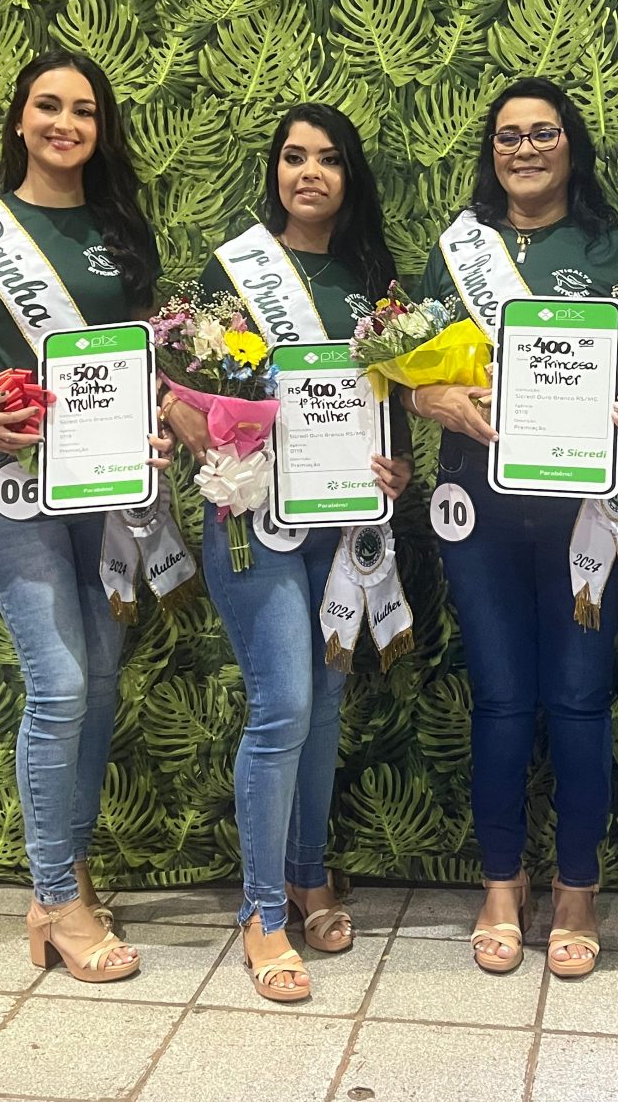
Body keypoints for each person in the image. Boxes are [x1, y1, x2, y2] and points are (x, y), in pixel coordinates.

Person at [162, 103, 414, 1003]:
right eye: (294, 157)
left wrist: (396, 465)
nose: (310, 173)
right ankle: (261, 912)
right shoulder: (234, 269)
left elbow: (389, 400)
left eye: (329, 159)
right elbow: (180, 390)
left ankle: (308, 877)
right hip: (252, 518)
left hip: (341, 522)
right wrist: (197, 428)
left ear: (350, 176)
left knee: (328, 703)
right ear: (274, 170)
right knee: (284, 707)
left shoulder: (373, 277)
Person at [410, 77, 618, 978]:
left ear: (570, 144)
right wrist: (433, 398)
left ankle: (578, 888)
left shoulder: (616, 250)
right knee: (502, 699)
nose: (524, 149)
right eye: (508, 136)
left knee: (582, 699)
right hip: (478, 506)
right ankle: (502, 885)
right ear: (492, 152)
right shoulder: (456, 251)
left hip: (585, 512)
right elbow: (405, 370)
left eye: (542, 133)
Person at [0, 51, 171, 982]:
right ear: (20, 118)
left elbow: (148, 355)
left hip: (106, 485)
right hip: (11, 481)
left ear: (100, 128)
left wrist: (156, 426)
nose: (64, 123)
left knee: (101, 683)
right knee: (61, 685)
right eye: (47, 105)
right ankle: (52, 898)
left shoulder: (122, 228)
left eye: (83, 110)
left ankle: (68, 875)